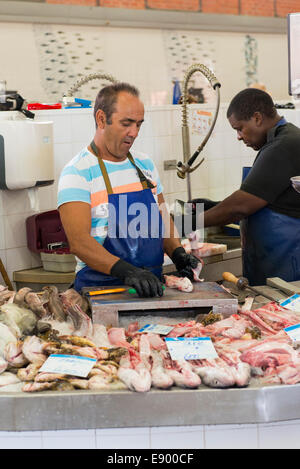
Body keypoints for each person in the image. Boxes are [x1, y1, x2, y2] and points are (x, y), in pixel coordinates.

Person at [58, 83, 200, 297]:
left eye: (138, 124)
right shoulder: (77, 172)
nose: (133, 133)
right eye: (126, 123)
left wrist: (178, 252)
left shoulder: (145, 165)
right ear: (101, 119)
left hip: (150, 289)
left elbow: (162, 218)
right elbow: (79, 242)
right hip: (100, 291)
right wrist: (128, 272)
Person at [192, 88, 300, 286]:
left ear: (257, 118)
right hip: (272, 268)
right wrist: (213, 205)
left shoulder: (284, 145)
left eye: (239, 128)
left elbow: (240, 207)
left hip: (289, 270)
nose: (239, 137)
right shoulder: (279, 141)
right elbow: (266, 199)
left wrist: (185, 223)